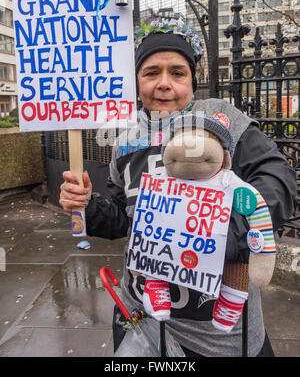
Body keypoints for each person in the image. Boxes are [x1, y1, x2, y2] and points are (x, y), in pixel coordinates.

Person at [59, 20, 297, 357]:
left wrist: (231, 232)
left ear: (192, 79)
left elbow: (277, 176)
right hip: (142, 317)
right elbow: (121, 217)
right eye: (151, 72)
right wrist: (85, 205)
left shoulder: (218, 117)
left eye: (178, 72)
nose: (164, 84)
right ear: (137, 81)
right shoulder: (123, 139)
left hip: (219, 334)